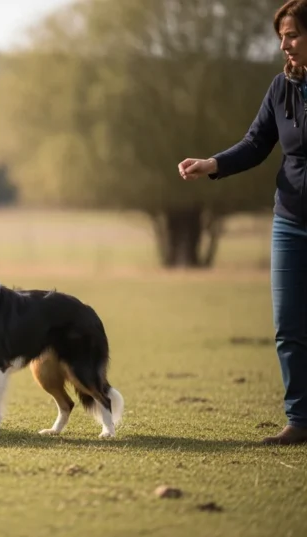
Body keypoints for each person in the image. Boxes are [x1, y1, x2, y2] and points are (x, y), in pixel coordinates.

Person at [178, 0, 307, 445]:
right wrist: (212, 164)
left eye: (293, 36)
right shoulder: (281, 88)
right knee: (289, 325)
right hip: (291, 220)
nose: (284, 45)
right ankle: (300, 421)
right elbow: (256, 143)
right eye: (281, 38)